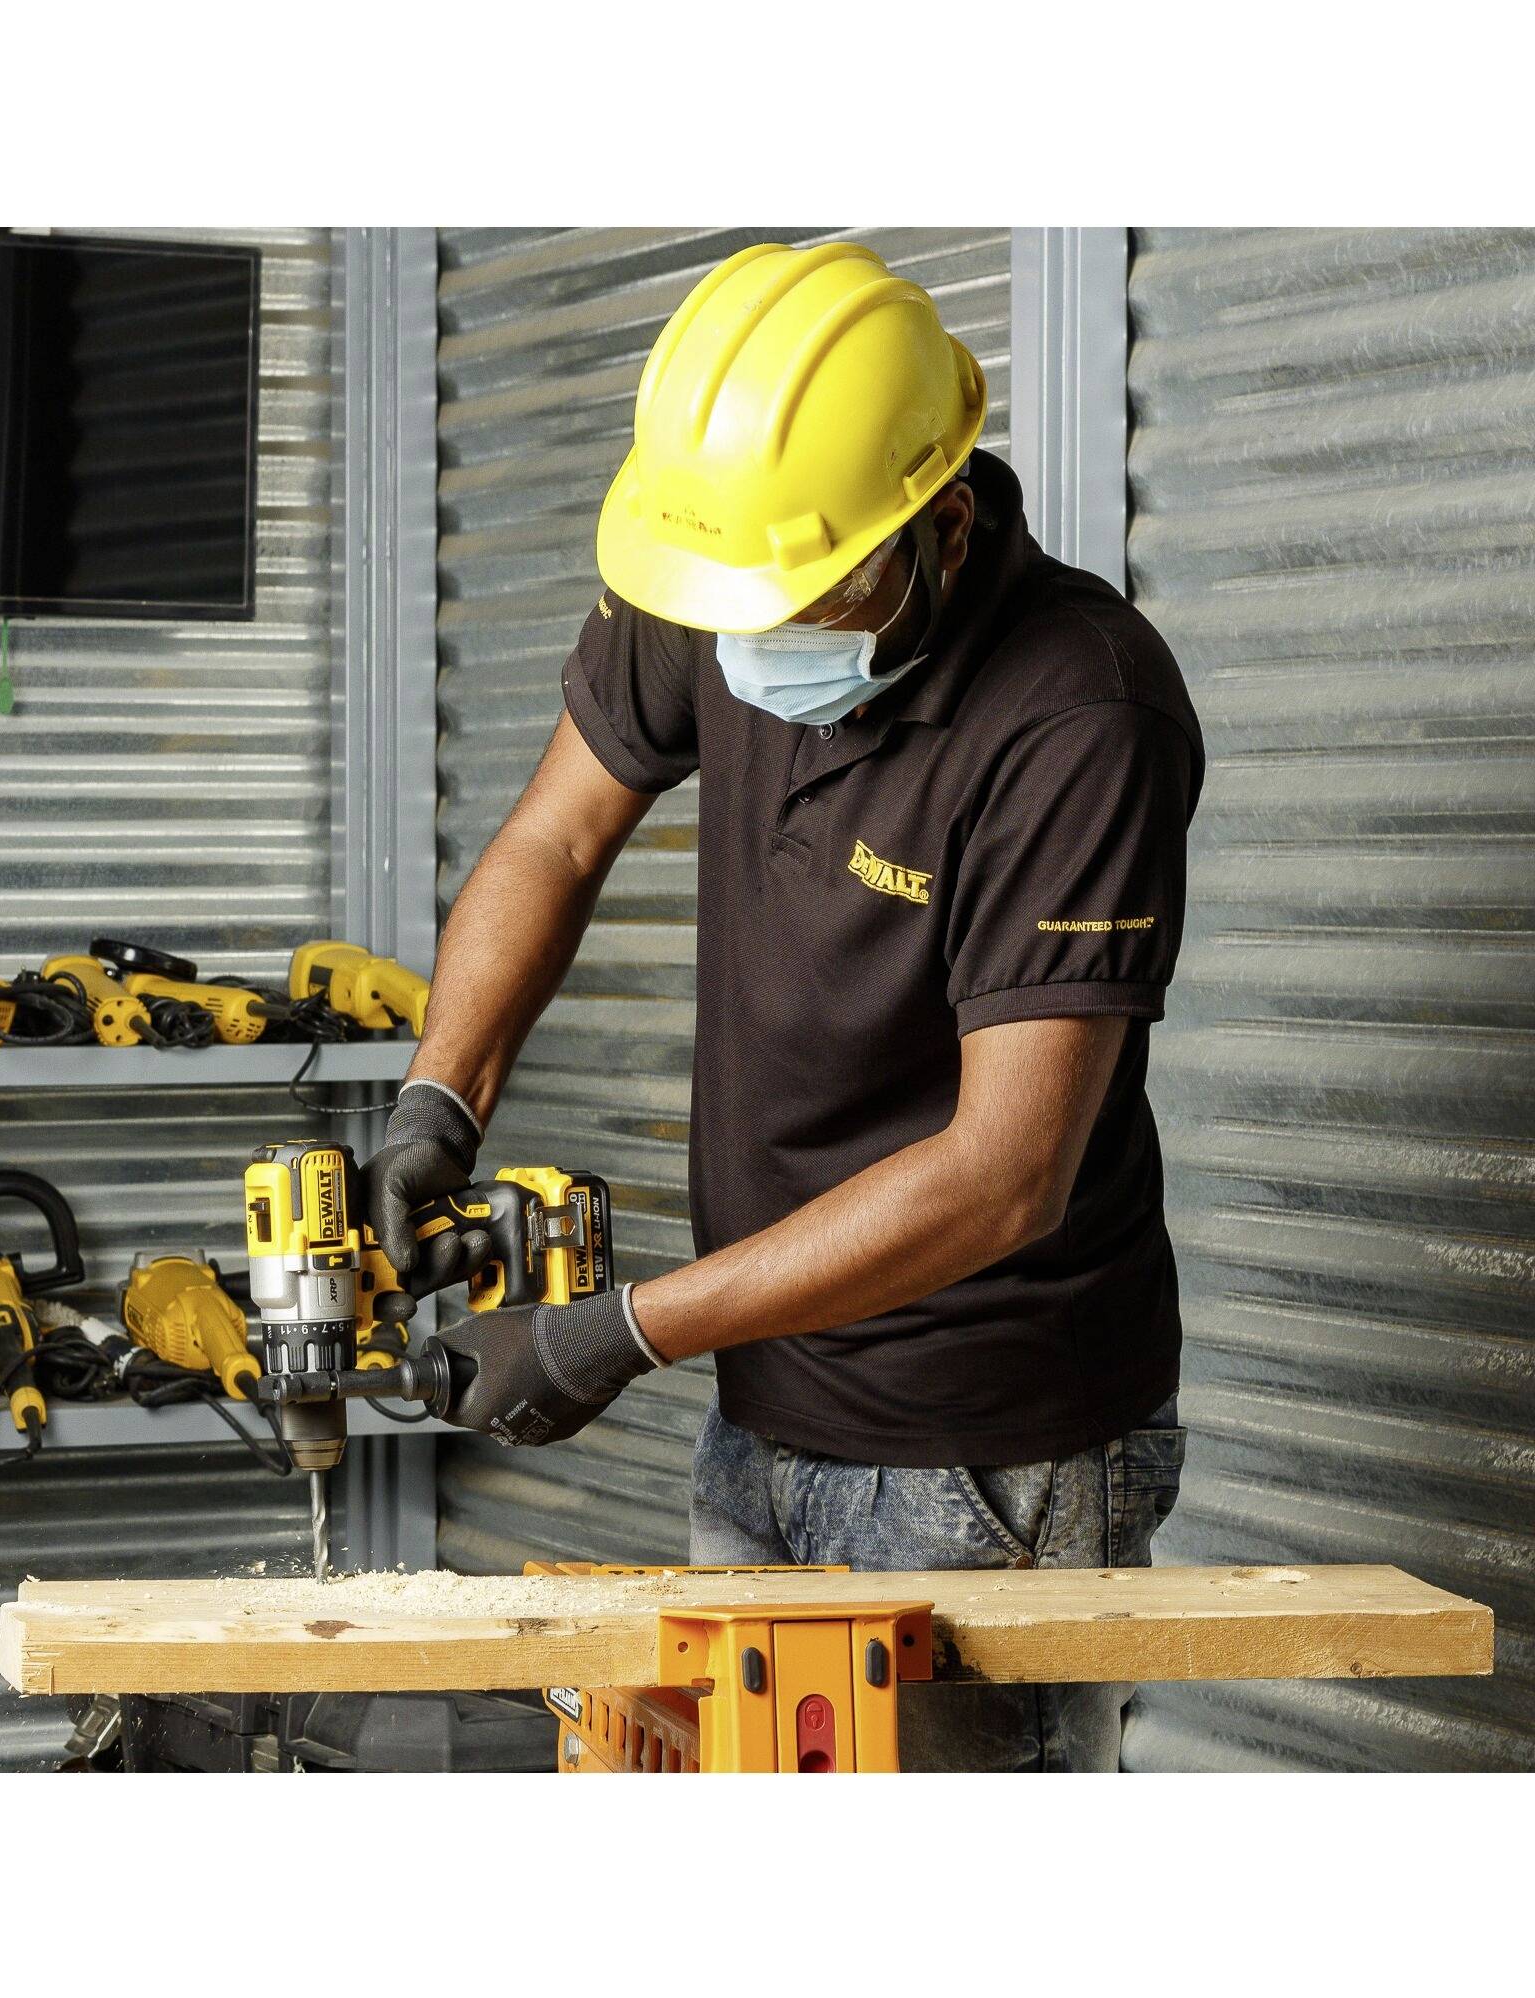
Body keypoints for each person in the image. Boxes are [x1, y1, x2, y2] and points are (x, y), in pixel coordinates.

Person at [365, 242, 1204, 1770]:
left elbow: (1003, 1175)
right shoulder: (735, 563)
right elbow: (555, 837)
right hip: (764, 1406)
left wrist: (613, 1332)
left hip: (985, 1455)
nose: (751, 650)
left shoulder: (1080, 714)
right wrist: (442, 1097)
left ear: (941, 521)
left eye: (803, 604)